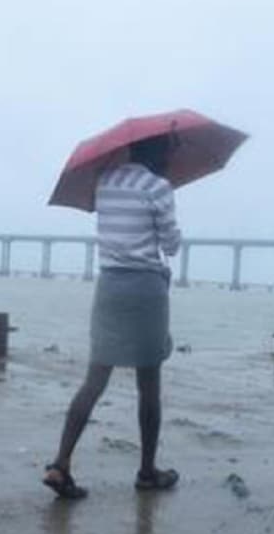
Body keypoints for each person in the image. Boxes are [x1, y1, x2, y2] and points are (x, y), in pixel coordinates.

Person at [43, 134, 182, 500]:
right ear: (160, 152)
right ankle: (147, 472)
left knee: (94, 380)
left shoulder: (105, 181)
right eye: (172, 148)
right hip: (146, 289)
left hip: (110, 288)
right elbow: (170, 245)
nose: (173, 155)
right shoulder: (159, 187)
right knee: (148, 384)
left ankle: (61, 463)